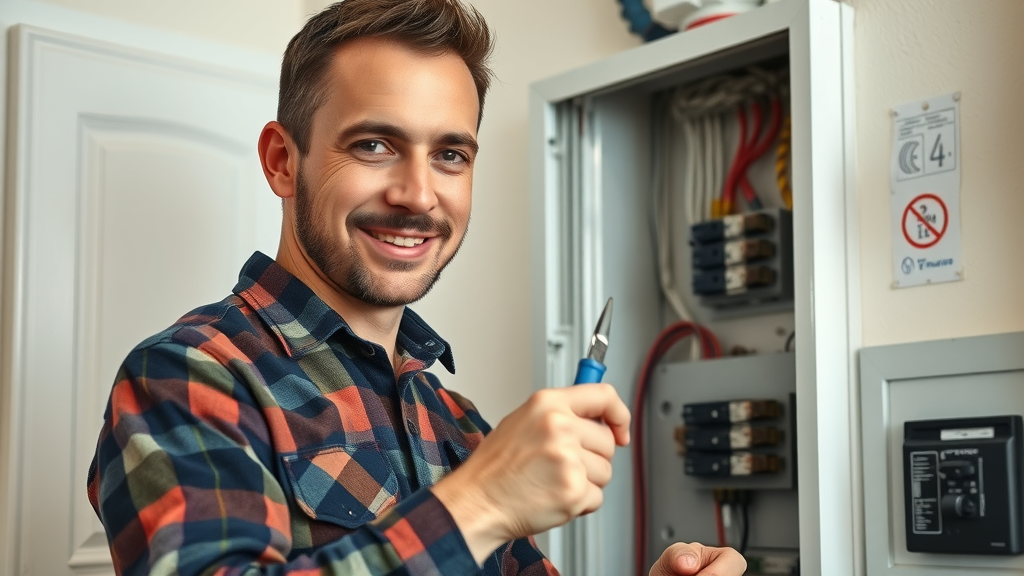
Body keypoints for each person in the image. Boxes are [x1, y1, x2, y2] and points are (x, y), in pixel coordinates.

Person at [87, 1, 747, 575]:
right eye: (375, 145)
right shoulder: (187, 379)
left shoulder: (456, 422)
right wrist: (479, 503)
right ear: (283, 161)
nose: (418, 195)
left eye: (450, 155)